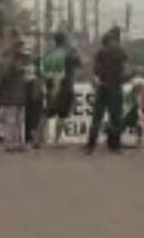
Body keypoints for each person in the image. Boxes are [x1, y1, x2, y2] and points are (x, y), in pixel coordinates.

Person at [85, 27, 128, 155]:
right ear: (117, 37)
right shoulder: (120, 50)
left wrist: (95, 82)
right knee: (115, 118)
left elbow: (93, 70)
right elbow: (125, 69)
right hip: (116, 88)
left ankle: (90, 145)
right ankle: (115, 146)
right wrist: (124, 78)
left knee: (97, 118)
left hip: (102, 87)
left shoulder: (101, 51)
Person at [36, 32, 81, 147]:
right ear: (65, 41)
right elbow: (80, 64)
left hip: (51, 88)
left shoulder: (49, 55)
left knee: (46, 114)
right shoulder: (68, 54)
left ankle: (38, 139)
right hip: (65, 87)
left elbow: (42, 73)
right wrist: (75, 49)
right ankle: (56, 141)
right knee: (62, 114)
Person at [0, 39, 30, 153]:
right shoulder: (10, 62)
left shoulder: (18, 61)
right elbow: (4, 77)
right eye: (21, 47)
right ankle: (10, 143)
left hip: (16, 94)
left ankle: (16, 143)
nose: (22, 50)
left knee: (17, 120)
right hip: (11, 94)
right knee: (12, 120)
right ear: (16, 48)